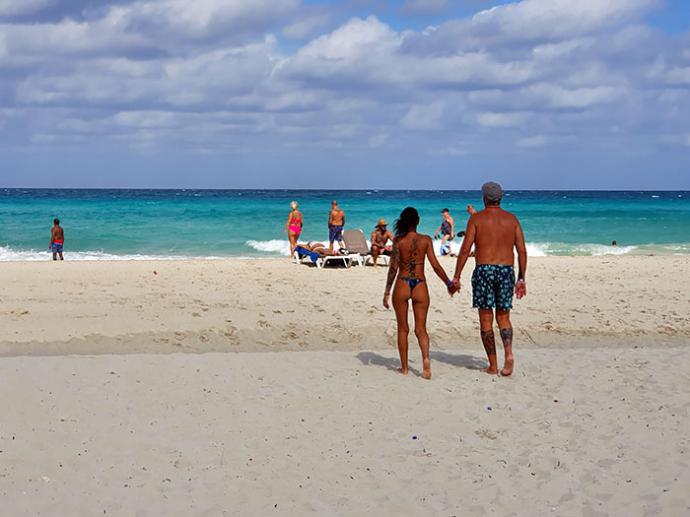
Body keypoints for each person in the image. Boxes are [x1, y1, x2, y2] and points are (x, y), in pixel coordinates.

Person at [452, 182, 527, 377]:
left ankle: (493, 365)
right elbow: (521, 251)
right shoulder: (512, 219)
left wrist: (457, 276)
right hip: (506, 270)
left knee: (486, 318)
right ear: (500, 198)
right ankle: (508, 354)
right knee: (504, 316)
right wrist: (521, 278)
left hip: (484, 270)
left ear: (484, 198)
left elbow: (465, 249)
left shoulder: (476, 219)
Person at [383, 207, 457, 380]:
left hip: (402, 283)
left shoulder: (398, 241)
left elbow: (393, 267)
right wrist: (448, 283)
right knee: (421, 329)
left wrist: (387, 291)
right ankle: (425, 361)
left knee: (403, 329)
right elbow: (435, 266)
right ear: (417, 221)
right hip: (420, 284)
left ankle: (405, 368)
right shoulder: (425, 240)